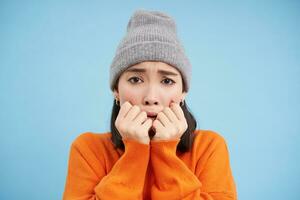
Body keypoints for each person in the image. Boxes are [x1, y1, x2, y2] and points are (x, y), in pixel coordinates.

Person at [63, 9, 237, 200]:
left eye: (167, 81)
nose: (151, 97)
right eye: (136, 80)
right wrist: (135, 151)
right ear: (116, 90)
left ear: (183, 92)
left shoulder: (209, 147)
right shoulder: (88, 149)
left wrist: (165, 151)